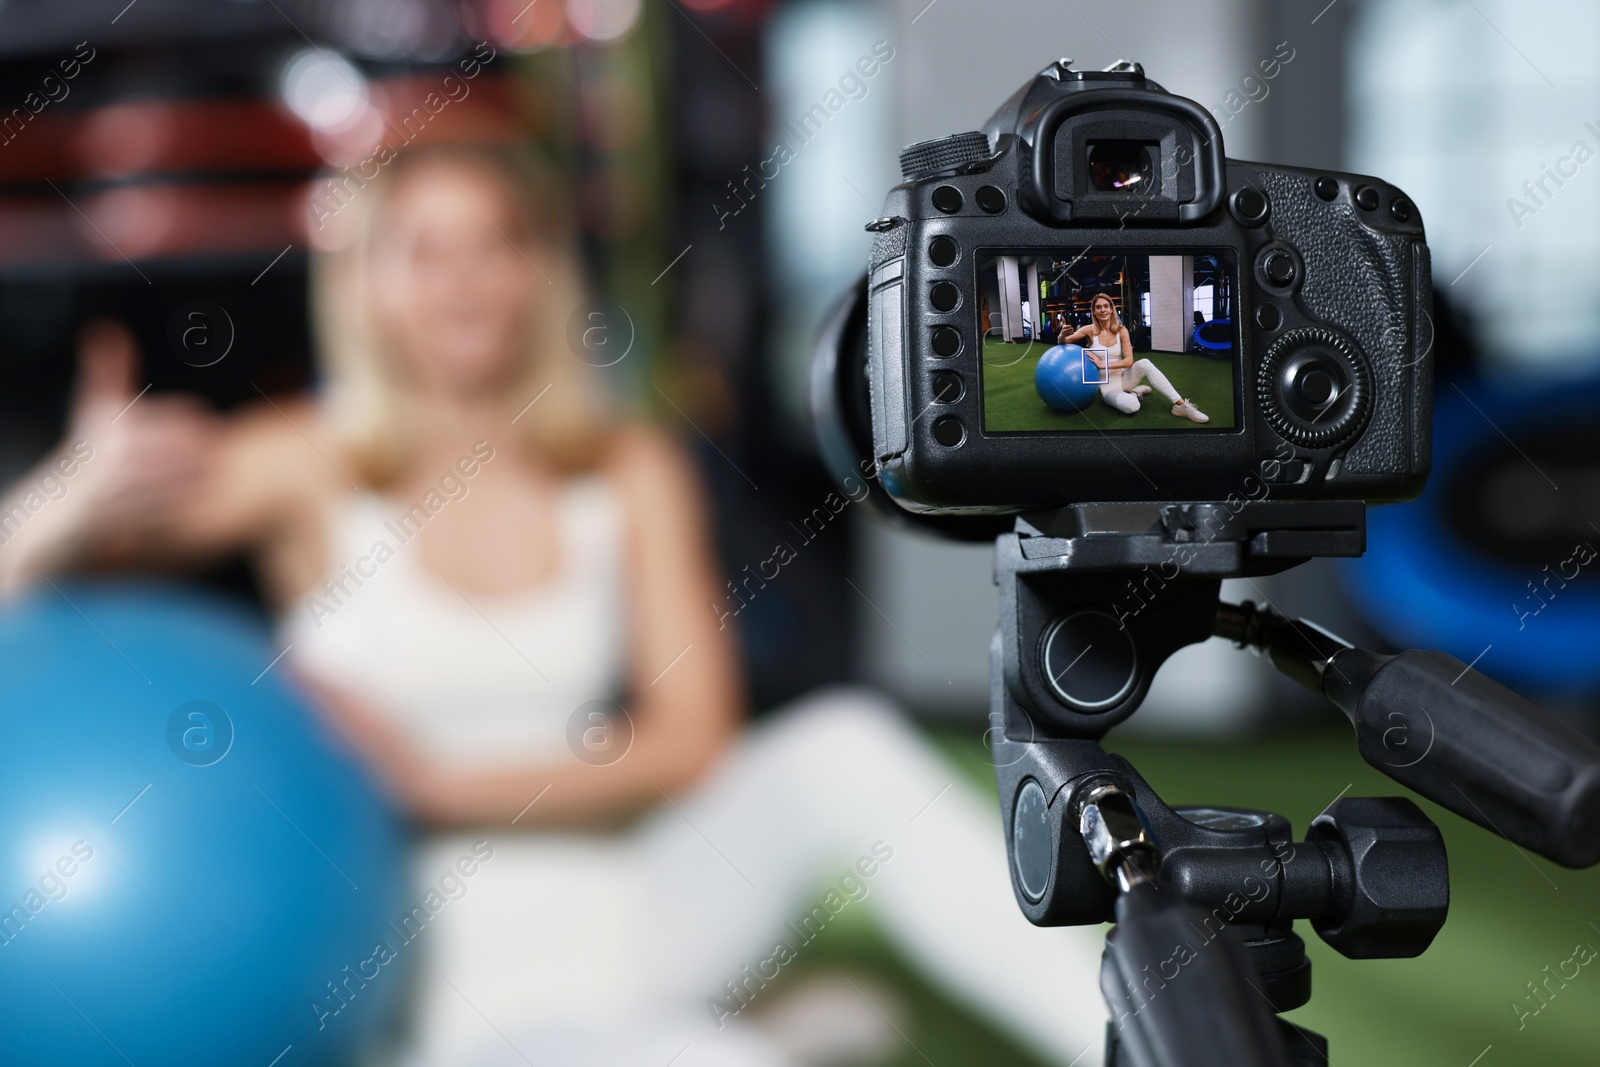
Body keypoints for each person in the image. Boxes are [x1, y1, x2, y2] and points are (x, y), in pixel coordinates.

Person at [0, 143, 1106, 1066]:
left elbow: (687, 742)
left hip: (628, 906)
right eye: (424, 250)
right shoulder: (306, 463)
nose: (464, 281)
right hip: (433, 980)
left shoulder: (624, 463)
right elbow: (21, 599)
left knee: (845, 748)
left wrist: (434, 782)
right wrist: (69, 491)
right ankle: (740, 1032)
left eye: (497, 243)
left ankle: (1133, 1040)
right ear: (369, 281)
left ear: (539, 270)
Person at [1058, 292, 1209, 423]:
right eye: (1098, 307)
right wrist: (1062, 335)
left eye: (1106, 306)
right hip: (1106, 386)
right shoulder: (1089, 330)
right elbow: (1064, 342)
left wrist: (1103, 365)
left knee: (1144, 362)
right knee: (1132, 407)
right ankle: (1136, 392)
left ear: (1111, 309)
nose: (1102, 310)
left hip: (1123, 377)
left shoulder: (1121, 330)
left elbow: (1129, 361)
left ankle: (1180, 405)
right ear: (1094, 312)